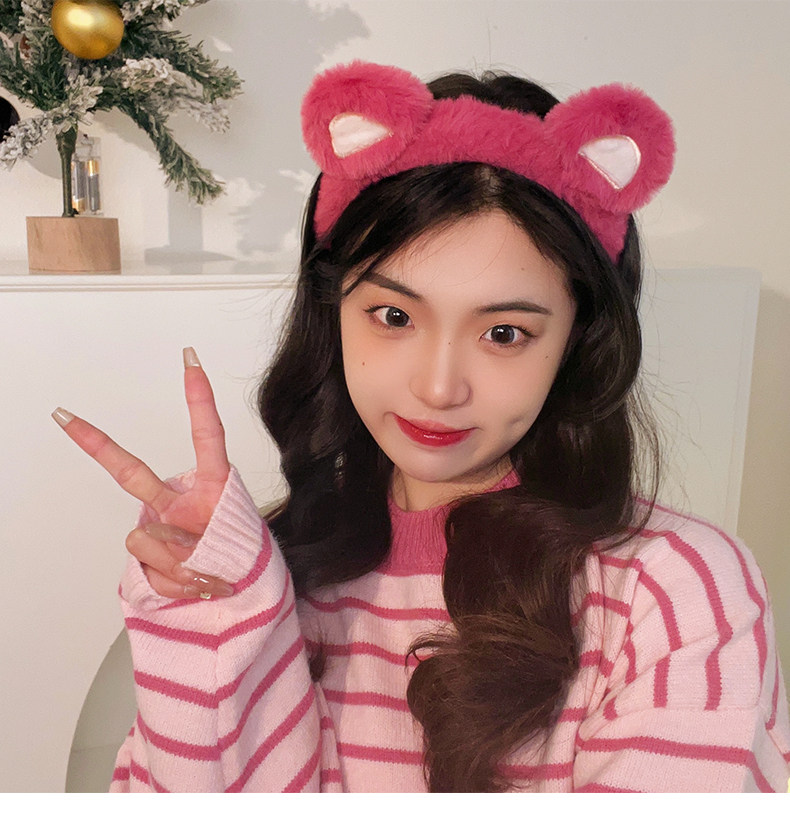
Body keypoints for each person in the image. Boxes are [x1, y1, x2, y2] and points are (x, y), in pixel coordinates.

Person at [53, 61, 790, 792]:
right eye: (394, 316)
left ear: (577, 340)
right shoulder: (276, 573)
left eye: (504, 333)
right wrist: (217, 621)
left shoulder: (674, 593)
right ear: (333, 311)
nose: (438, 388)